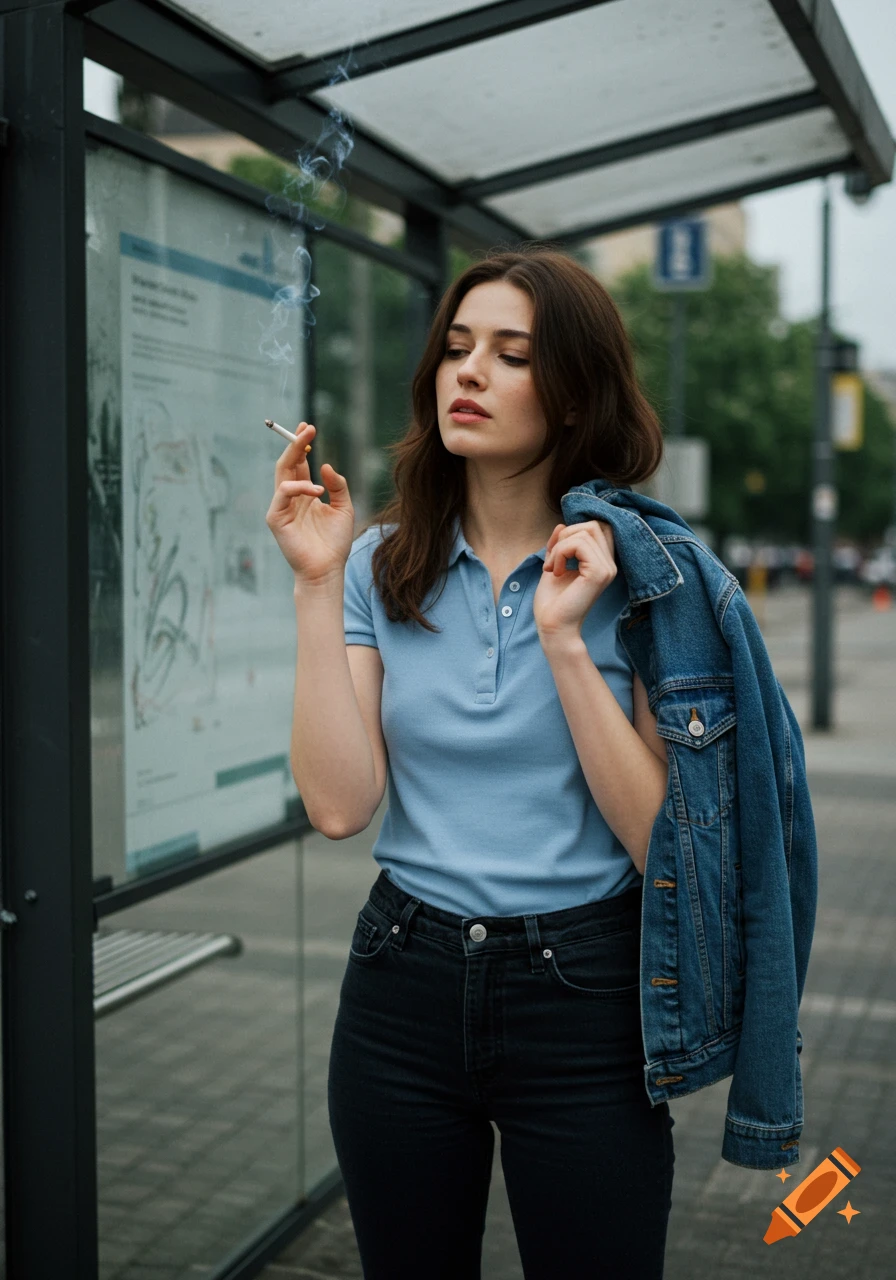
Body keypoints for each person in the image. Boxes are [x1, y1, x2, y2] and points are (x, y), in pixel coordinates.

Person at [265, 246, 682, 1278]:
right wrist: (317, 585)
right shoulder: (377, 563)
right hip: (399, 982)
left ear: (576, 392)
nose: (467, 372)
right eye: (455, 349)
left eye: (508, 354)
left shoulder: (643, 570)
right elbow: (337, 803)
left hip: (584, 991)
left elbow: (656, 837)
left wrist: (562, 638)